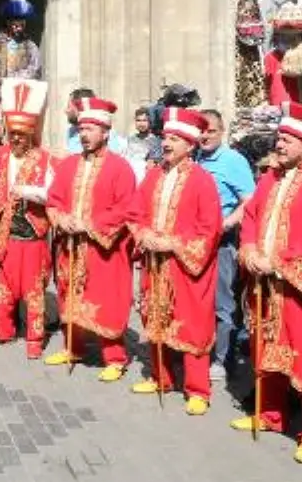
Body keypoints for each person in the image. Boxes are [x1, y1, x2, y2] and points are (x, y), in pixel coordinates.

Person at [232, 102, 302, 466]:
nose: (279, 145)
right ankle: (270, 413)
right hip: (264, 285)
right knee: (266, 351)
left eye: (287, 139)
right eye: (279, 138)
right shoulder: (270, 178)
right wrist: (248, 248)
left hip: (299, 291)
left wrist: (276, 262)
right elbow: (251, 215)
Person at [130, 108, 223, 415]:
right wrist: (143, 234)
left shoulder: (203, 181)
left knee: (191, 324)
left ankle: (198, 389)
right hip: (155, 264)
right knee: (155, 317)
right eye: (165, 137)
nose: (166, 144)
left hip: (185, 267)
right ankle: (161, 377)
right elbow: (136, 213)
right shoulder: (153, 175)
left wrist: (172, 243)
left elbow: (209, 229)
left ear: (190, 144)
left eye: (173, 139)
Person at [43, 96, 141, 381]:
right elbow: (54, 200)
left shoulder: (120, 168)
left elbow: (125, 209)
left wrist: (87, 224)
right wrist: (61, 219)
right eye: (82, 129)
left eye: (91, 129)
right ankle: (73, 347)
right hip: (70, 247)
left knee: (106, 299)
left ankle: (115, 357)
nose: (84, 135)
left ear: (106, 132)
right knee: (69, 295)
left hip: (102, 249)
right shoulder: (68, 165)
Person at [0, 79, 54, 359]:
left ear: (31, 132)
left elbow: (53, 195)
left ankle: (35, 337)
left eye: (21, 134)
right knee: (5, 288)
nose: (16, 139)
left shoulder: (45, 159)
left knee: (34, 291)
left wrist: (29, 192)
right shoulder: (0, 154)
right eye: (13, 133)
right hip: (6, 233)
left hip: (32, 236)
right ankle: (3, 329)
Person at [194, 109, 257, 380]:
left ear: (222, 132)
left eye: (211, 131)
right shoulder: (193, 158)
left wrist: (225, 225)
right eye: (201, 131)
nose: (205, 136)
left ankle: (222, 358)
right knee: (199, 301)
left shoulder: (233, 161)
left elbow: (250, 202)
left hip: (222, 243)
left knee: (223, 303)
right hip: (195, 244)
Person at [0, 0, 43, 113]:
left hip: (19, 93)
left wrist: (14, 78)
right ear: (8, 23)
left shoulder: (30, 46)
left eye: (21, 25)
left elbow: (36, 69)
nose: (18, 29)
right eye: (15, 25)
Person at [63, 88, 127, 156]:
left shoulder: (109, 137)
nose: (66, 111)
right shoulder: (71, 131)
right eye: (82, 129)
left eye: (69, 107)